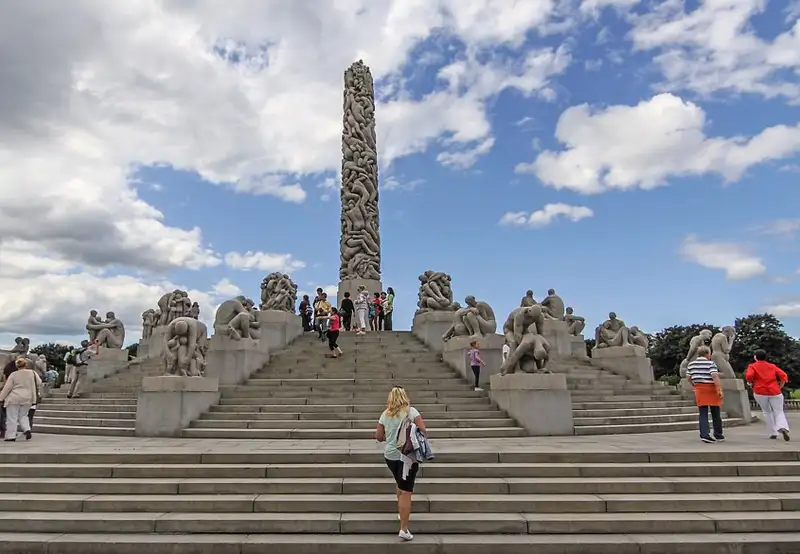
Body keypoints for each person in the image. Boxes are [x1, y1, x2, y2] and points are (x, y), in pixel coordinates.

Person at [375, 386, 428, 542]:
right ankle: (404, 529)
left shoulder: (385, 414)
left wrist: (391, 438)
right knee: (406, 491)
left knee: (400, 483)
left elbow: (378, 436)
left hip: (390, 456)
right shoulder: (412, 412)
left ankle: (401, 511)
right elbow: (424, 430)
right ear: (405, 396)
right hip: (407, 457)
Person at [746, 349, 790, 441]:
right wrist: (780, 386)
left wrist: (750, 382)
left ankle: (773, 432)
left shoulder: (752, 366)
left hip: (760, 391)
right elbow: (783, 375)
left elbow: (749, 376)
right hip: (774, 391)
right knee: (779, 411)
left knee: (767, 412)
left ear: (755, 357)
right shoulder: (772, 366)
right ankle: (783, 427)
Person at [686, 345, 725, 443]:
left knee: (703, 413)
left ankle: (704, 434)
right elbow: (715, 376)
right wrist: (719, 389)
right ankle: (718, 434)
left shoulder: (691, 365)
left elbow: (688, 378)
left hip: (699, 389)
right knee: (715, 412)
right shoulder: (710, 363)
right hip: (711, 389)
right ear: (707, 354)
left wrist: (694, 385)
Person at [0, 357, 42, 442]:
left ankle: (11, 436)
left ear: (16, 366)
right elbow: (39, 382)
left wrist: (1, 398)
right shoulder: (32, 373)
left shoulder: (14, 374)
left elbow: (7, 388)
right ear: (26, 364)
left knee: (12, 417)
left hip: (14, 398)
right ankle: (27, 429)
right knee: (24, 415)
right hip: (28, 398)